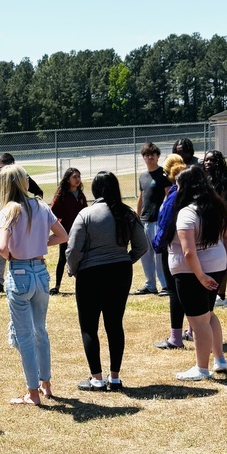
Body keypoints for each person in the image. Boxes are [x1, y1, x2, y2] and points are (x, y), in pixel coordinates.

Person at [66, 172, 147, 392]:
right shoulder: (127, 213)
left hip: (91, 274)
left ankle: (96, 378)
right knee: (114, 324)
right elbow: (143, 245)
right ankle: (115, 377)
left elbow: (73, 249)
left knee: (89, 326)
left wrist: (72, 269)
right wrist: (126, 259)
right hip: (120, 272)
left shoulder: (86, 214)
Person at [0, 164, 68, 405]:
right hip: (40, 273)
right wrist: (38, 244)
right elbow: (62, 235)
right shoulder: (41, 205)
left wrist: (17, 254)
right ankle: (46, 384)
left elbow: (3, 248)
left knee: (24, 335)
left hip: (20, 274)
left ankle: (32, 392)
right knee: (40, 331)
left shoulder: (9, 210)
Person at [160, 165, 227, 381]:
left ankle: (201, 368)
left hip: (192, 273)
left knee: (198, 322)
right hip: (216, 267)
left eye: (178, 184)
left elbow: (188, 252)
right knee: (208, 314)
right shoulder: (216, 207)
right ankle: (219, 359)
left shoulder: (187, 212)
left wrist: (200, 276)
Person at [0, 153, 43, 295]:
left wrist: (35, 209)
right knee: (0, 249)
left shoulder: (22, 177)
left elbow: (38, 191)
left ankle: (24, 276)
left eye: (2, 167)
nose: (0, 171)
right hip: (2, 218)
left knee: (21, 247)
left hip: (19, 218)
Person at [152, 154, 189, 350]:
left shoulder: (174, 194)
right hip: (197, 248)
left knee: (175, 292)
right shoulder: (196, 192)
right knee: (192, 291)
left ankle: (175, 337)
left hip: (175, 249)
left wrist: (156, 244)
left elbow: (165, 224)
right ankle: (192, 330)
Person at [202, 150, 227, 306]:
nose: (207, 163)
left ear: (219, 162)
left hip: (219, 223)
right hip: (204, 223)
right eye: (206, 160)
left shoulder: (225, 182)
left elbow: (224, 205)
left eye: (212, 160)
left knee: (220, 260)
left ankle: (221, 296)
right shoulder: (204, 179)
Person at [134, 142, 168, 295]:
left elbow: (168, 196)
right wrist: (137, 216)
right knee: (145, 254)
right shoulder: (143, 176)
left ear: (157, 156)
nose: (149, 157)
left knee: (159, 254)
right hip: (144, 221)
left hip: (158, 221)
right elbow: (141, 198)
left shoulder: (163, 174)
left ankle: (165, 285)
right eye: (146, 155)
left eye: (152, 154)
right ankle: (150, 285)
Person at [49, 168, 87, 295]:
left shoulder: (81, 195)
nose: (77, 179)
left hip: (81, 232)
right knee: (62, 259)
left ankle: (83, 284)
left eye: (79, 177)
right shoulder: (62, 196)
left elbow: (86, 212)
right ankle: (57, 286)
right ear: (68, 179)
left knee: (82, 257)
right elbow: (52, 214)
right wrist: (59, 227)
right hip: (66, 233)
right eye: (74, 177)